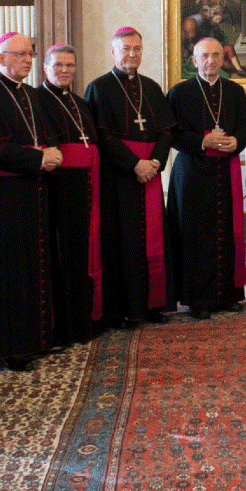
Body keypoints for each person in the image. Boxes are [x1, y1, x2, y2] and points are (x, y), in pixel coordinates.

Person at [0, 34, 62, 368]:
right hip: (2, 195)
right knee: (7, 271)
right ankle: (9, 347)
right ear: (0, 57)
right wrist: (40, 158)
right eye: (20, 54)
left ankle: (36, 339)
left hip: (33, 191)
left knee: (34, 265)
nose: (27, 60)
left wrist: (52, 155)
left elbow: (46, 137)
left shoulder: (32, 94)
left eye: (30, 54)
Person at [85, 27, 175, 326]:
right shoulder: (99, 88)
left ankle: (152, 305)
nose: (132, 54)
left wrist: (155, 162)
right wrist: (135, 164)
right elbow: (102, 136)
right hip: (118, 177)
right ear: (113, 51)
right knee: (121, 241)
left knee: (152, 239)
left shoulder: (152, 87)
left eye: (137, 49)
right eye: (125, 49)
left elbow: (166, 132)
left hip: (150, 174)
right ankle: (122, 310)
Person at [165, 38, 246, 320]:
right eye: (204, 56)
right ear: (194, 60)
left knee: (226, 229)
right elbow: (170, 134)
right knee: (195, 234)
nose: (211, 61)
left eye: (216, 55)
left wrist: (237, 141)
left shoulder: (235, 91)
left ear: (223, 60)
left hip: (225, 170)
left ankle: (228, 295)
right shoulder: (179, 92)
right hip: (192, 171)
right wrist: (202, 141)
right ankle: (197, 298)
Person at [39, 43, 103, 344]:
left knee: (83, 252)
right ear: (45, 68)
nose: (65, 71)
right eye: (58, 65)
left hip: (86, 185)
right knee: (61, 254)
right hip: (57, 186)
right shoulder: (37, 99)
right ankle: (63, 327)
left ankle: (83, 321)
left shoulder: (80, 102)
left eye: (70, 65)